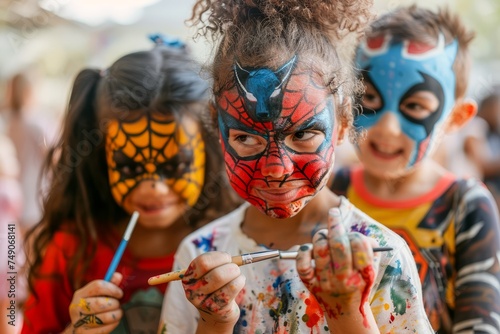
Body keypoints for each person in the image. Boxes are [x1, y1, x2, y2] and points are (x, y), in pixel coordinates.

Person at [159, 1, 433, 333]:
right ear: (219, 129)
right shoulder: (199, 255)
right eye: (246, 138)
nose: (277, 169)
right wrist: (214, 321)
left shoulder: (381, 254)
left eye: (303, 134)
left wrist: (348, 312)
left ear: (344, 122)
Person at [20, 36, 240, 333]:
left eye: (175, 165)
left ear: (211, 153)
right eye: (129, 166)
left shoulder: (234, 243)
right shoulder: (71, 248)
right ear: (102, 158)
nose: (154, 188)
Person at [330, 5, 500, 333]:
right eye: (369, 97)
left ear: (456, 118)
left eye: (415, 106)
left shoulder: (465, 206)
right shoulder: (332, 193)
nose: (388, 128)